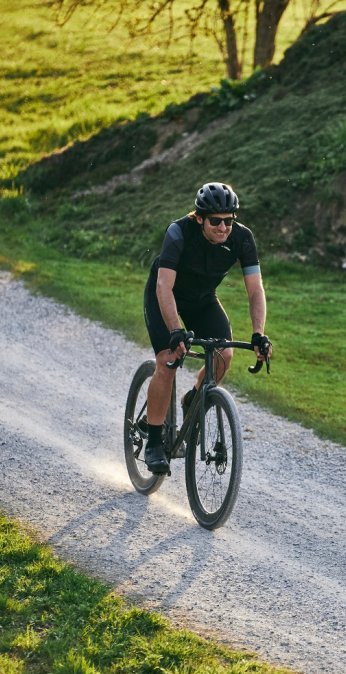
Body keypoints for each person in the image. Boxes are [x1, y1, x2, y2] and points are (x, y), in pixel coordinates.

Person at [142, 182, 271, 474]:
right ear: (199, 218)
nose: (224, 227)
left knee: (224, 355)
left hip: (202, 300)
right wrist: (175, 329)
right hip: (166, 295)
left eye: (229, 220)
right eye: (216, 221)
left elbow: (255, 290)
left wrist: (258, 334)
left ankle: (193, 400)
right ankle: (153, 441)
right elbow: (164, 286)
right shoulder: (178, 232)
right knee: (168, 360)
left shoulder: (242, 238)